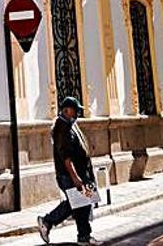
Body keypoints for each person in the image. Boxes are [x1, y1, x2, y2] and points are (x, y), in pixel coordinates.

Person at [36, 97, 101, 246]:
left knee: (84, 204)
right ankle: (47, 221)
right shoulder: (62, 128)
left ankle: (84, 237)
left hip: (82, 174)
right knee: (76, 203)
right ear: (66, 110)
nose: (77, 112)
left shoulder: (71, 124)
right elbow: (66, 158)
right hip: (70, 175)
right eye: (75, 109)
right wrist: (76, 178)